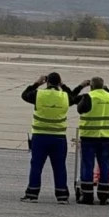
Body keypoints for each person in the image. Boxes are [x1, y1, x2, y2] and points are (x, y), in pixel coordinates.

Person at [20, 72, 75, 203]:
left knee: (36, 166)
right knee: (60, 167)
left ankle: (32, 194)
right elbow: (74, 96)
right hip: (59, 138)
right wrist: (64, 86)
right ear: (59, 83)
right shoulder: (65, 96)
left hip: (40, 136)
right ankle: (62, 196)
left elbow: (24, 95)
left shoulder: (39, 94)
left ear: (47, 82)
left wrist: (37, 83)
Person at [70, 77, 109, 205]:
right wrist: (105, 88)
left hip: (89, 136)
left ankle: (87, 195)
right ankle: (104, 195)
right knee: (105, 165)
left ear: (91, 86)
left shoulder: (88, 97)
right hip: (106, 137)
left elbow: (72, 101)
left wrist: (81, 86)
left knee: (88, 165)